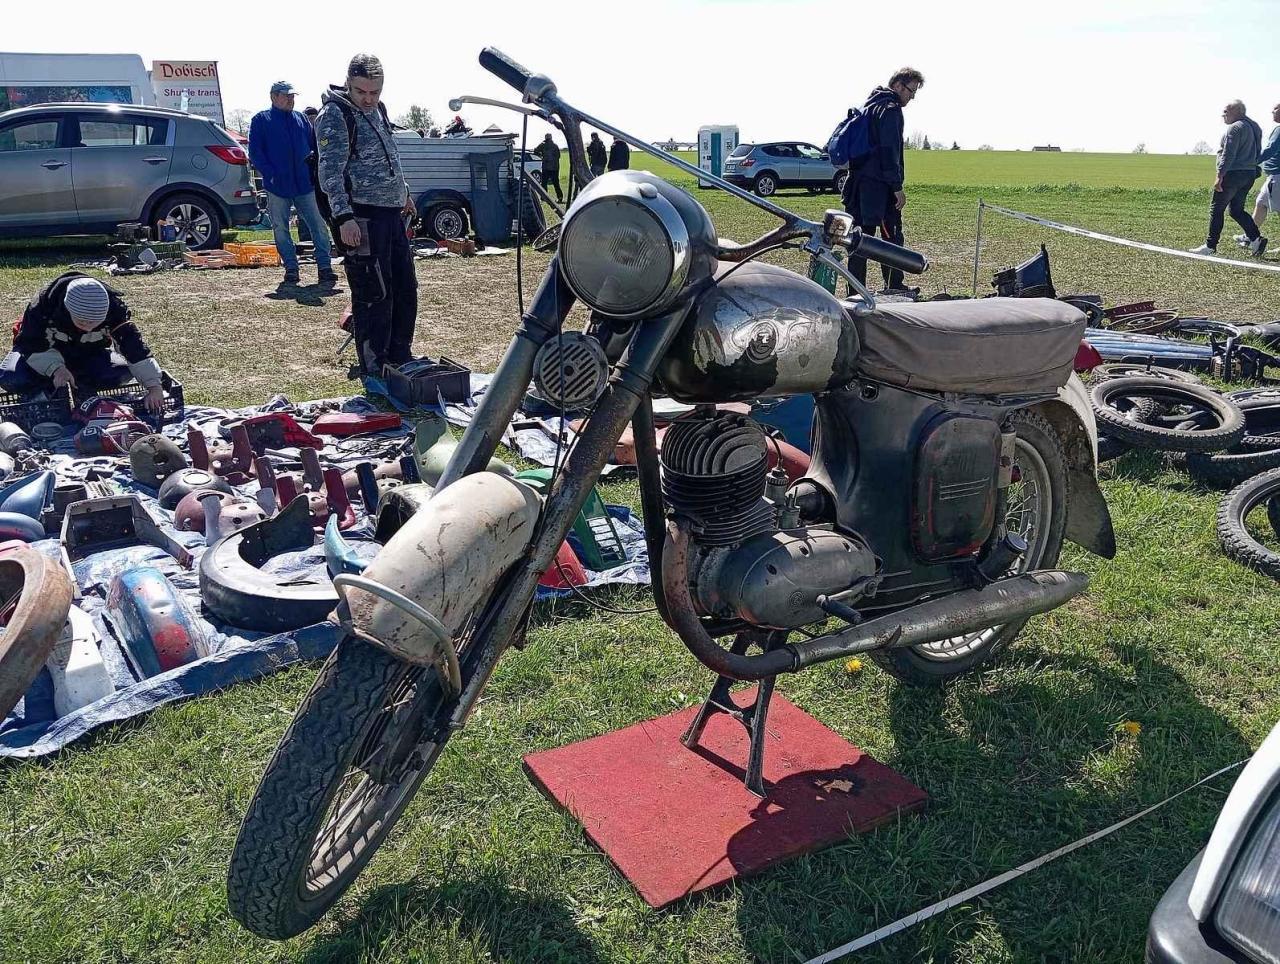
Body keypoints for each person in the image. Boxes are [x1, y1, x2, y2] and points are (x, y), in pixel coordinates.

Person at [316, 53, 417, 381]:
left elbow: (391, 156)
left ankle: (400, 354)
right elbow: (330, 171)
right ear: (348, 83)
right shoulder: (335, 114)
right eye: (361, 91)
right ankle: (375, 364)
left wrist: (403, 193)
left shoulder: (379, 110)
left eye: (375, 92)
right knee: (374, 292)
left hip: (391, 214)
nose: (369, 99)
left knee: (404, 287)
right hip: (361, 216)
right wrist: (343, 217)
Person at [2, 274, 166, 413]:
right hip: (41, 356)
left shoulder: (115, 310)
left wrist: (154, 386)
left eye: (95, 323)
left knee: (122, 371)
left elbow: (134, 348)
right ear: (68, 309)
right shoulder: (43, 306)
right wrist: (56, 369)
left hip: (86, 355)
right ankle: (48, 391)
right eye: (82, 322)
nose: (88, 328)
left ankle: (80, 388)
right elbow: (31, 345)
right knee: (11, 377)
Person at [842, 67, 923, 294]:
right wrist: (896, 187)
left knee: (858, 240)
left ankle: (855, 291)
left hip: (857, 185)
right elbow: (889, 152)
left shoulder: (870, 105)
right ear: (897, 85)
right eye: (910, 91)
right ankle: (894, 286)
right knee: (891, 239)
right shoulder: (891, 110)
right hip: (880, 189)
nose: (911, 97)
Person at [249, 82, 337, 286]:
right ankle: (291, 268)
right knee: (281, 228)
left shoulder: (302, 119)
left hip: (305, 185)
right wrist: (270, 175)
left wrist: (314, 172)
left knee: (318, 225)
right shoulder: (261, 120)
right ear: (273, 97)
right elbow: (255, 152)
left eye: (292, 96)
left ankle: (325, 267)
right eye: (286, 96)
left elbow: (313, 146)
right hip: (277, 186)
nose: (291, 99)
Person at [1190, 99, 1266, 257]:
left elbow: (1228, 153)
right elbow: (1258, 151)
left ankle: (1210, 246)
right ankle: (1256, 239)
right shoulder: (1254, 127)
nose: (1223, 114)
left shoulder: (1235, 128)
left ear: (1238, 111)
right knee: (1236, 210)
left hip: (1233, 174)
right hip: (1248, 174)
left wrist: (1220, 175)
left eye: (1226, 111)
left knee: (1217, 208)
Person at [1235, 101, 1280, 246]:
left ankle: (1250, 236)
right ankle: (1250, 236)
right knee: (1261, 203)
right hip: (1273, 177)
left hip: (1277, 176)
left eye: (1275, 108)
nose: (1272, 111)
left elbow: (1270, 149)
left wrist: (1252, 161)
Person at [535, 133, 563, 201]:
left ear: (545, 138)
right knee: (556, 183)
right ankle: (560, 197)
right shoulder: (555, 146)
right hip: (555, 167)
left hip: (546, 167)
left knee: (544, 183)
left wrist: (541, 156)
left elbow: (535, 151)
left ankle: (544, 197)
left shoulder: (543, 145)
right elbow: (558, 156)